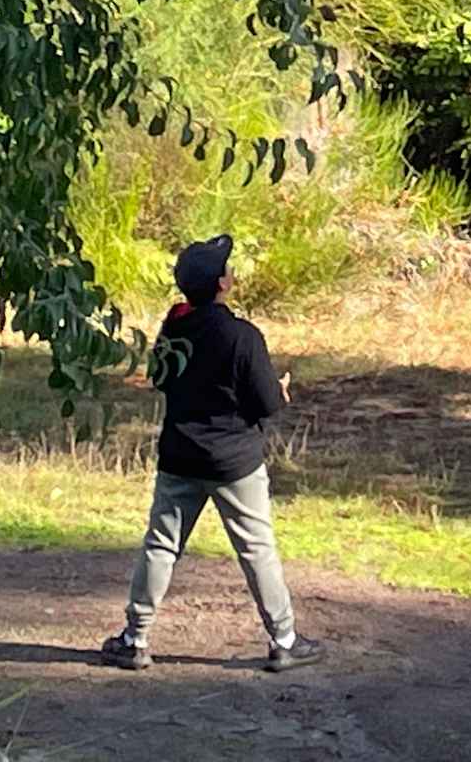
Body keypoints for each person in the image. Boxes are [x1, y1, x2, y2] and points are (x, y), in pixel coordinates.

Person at [99, 233, 321, 673]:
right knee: (257, 549)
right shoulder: (242, 335)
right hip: (235, 460)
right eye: (228, 268)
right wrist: (280, 391)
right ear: (222, 283)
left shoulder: (174, 326)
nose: (231, 272)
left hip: (180, 454)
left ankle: (135, 638)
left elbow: (160, 378)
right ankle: (284, 639)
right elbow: (267, 404)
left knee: (161, 546)